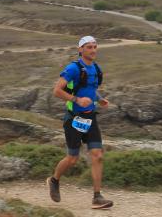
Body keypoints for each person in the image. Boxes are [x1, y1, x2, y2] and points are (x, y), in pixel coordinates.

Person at [47, 35, 113, 209]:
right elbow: (57, 90)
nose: (93, 50)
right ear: (80, 50)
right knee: (72, 158)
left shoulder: (96, 68)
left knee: (97, 156)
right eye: (89, 47)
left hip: (90, 117)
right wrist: (76, 100)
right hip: (74, 119)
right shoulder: (73, 69)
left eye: (94, 46)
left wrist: (99, 99)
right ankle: (54, 180)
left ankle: (97, 197)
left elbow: (91, 89)